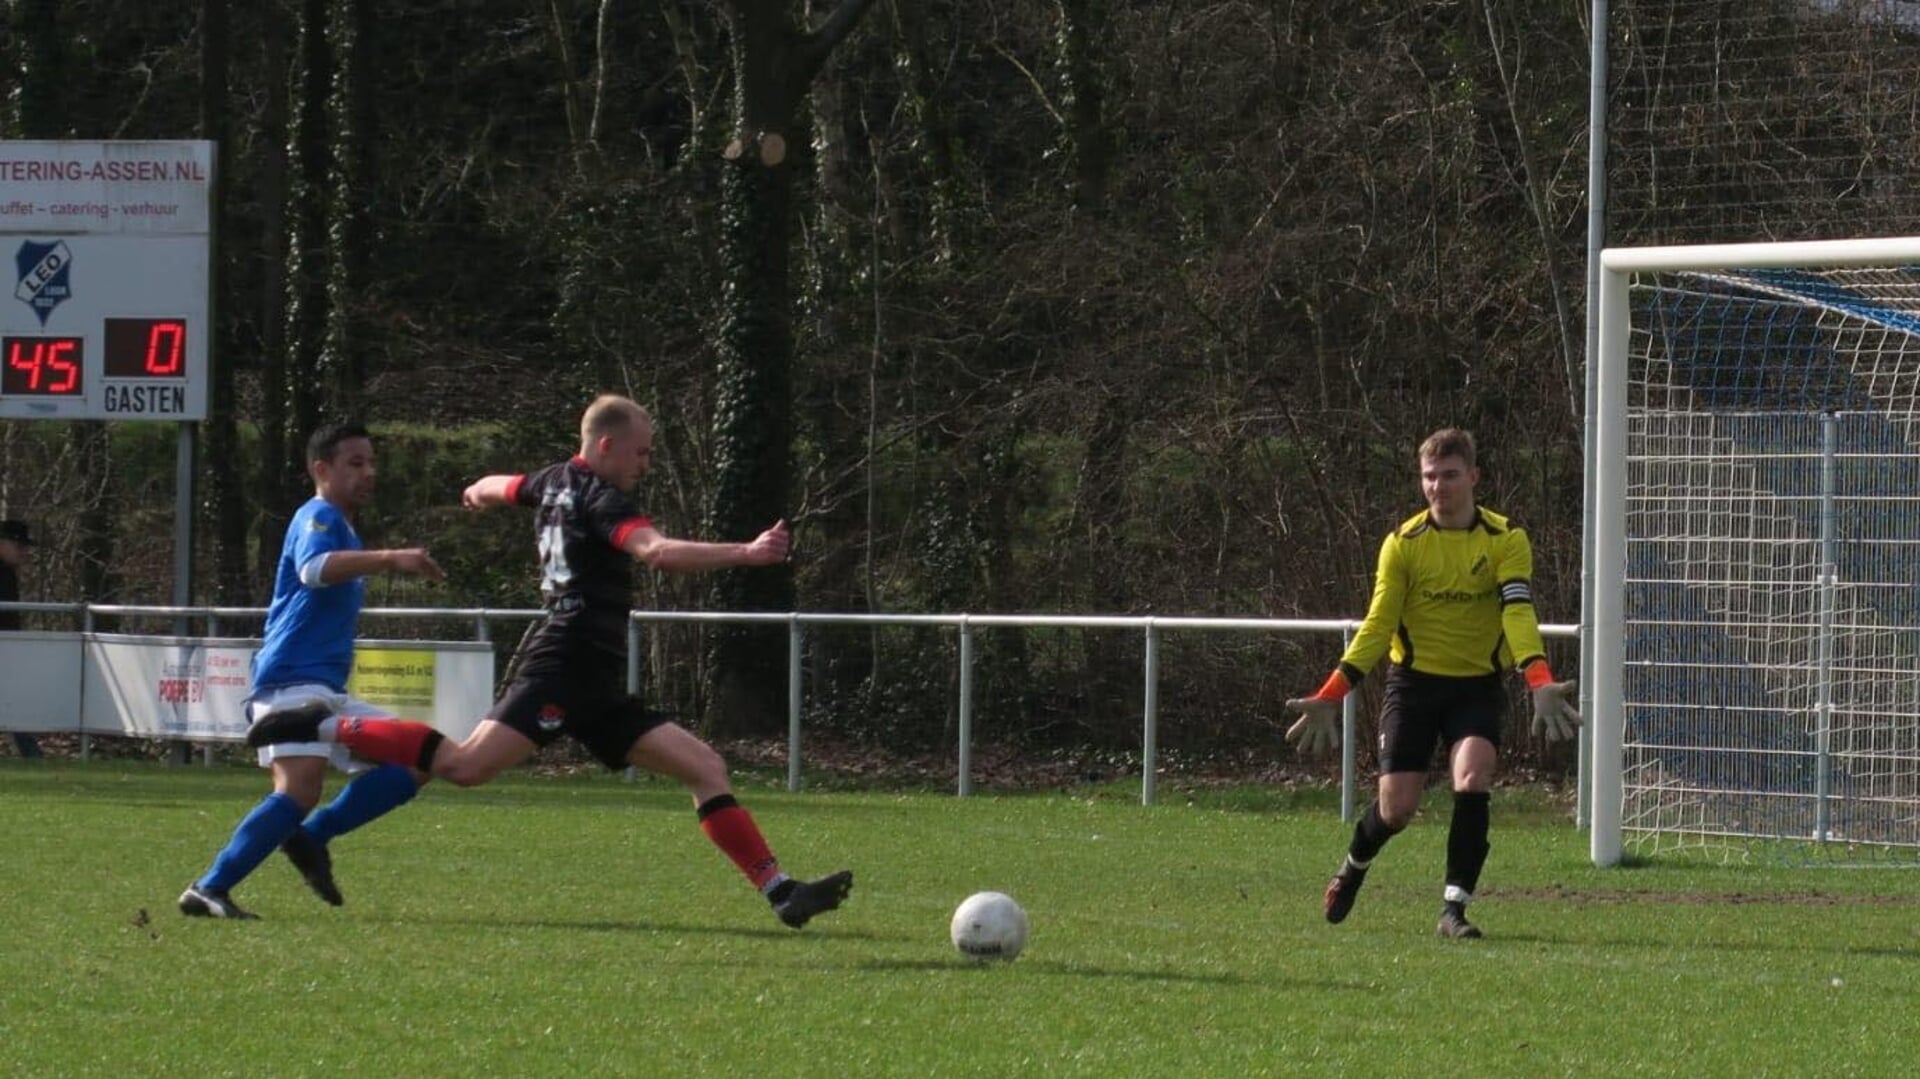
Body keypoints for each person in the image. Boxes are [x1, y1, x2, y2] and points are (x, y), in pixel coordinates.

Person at [249, 394, 854, 929]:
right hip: (562, 663)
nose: (644, 466)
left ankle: (781, 893)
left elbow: (496, 484)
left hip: (596, 679)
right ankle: (317, 725)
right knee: (463, 767)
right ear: (608, 445)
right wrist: (747, 554)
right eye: (640, 454)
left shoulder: (550, 480)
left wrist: (477, 493)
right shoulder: (601, 498)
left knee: (705, 767)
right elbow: (659, 553)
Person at [1284, 428, 1579, 940]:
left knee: (1474, 778)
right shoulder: (1403, 544)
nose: (1438, 486)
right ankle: (1354, 865)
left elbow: (1517, 611)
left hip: (1476, 688)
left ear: (1473, 477)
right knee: (1396, 810)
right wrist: (1333, 693)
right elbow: (1378, 626)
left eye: (1449, 475)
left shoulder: (1506, 539)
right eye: (1429, 477)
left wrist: (1539, 679)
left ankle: (1453, 909)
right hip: (1414, 687)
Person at [180, 422, 446, 919]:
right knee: (299, 789)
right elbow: (313, 569)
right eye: (355, 463)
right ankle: (209, 888)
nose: (369, 472)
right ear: (320, 469)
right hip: (290, 682)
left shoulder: (343, 524)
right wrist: (391, 558)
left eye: (371, 462)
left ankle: (311, 836)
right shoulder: (318, 515)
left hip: (326, 689)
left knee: (421, 758)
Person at [0, 519, 45, 759]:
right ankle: (31, 752)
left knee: (12, 700)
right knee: (12, 700)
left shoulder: (7, 573)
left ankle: (30, 751)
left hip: (7, 647)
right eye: (20, 546)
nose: (25, 552)